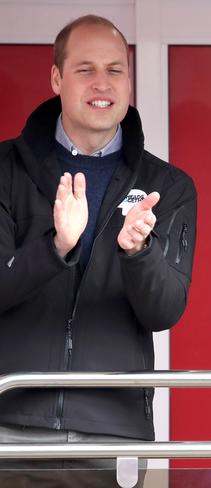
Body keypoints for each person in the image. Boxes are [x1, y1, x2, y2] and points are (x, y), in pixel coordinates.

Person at [0, 14, 196, 482]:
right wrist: (57, 246)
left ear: (129, 80)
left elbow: (164, 312)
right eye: (85, 69)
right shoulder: (4, 168)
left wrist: (138, 251)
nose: (101, 83)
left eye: (115, 69)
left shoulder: (168, 185)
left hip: (114, 430)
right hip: (9, 423)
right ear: (56, 78)